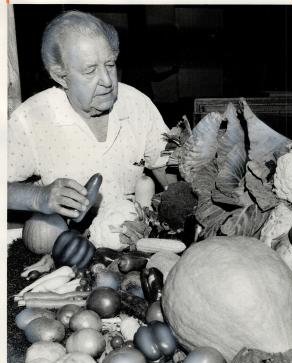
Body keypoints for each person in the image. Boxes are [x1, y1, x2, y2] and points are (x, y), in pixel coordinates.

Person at [8, 10, 174, 220]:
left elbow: (168, 169)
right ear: (61, 77)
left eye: (110, 64)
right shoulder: (31, 118)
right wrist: (38, 196)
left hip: (135, 238)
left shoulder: (136, 104)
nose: (107, 80)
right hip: (65, 242)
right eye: (90, 71)